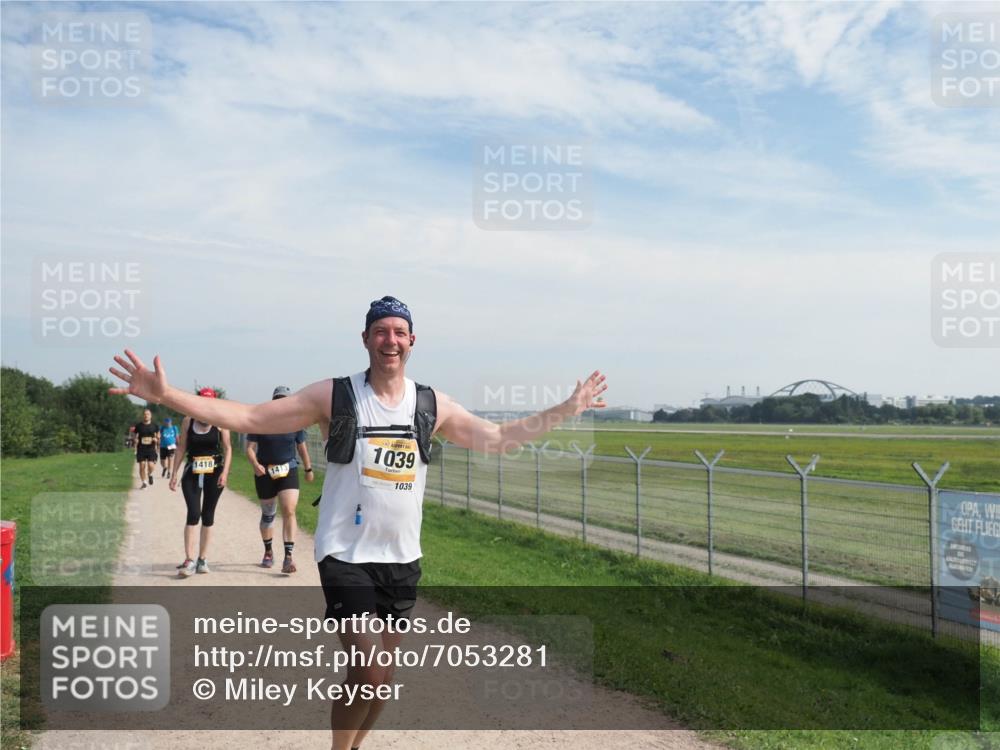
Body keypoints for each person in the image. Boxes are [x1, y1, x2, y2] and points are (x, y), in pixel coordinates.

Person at [108, 295, 606, 750]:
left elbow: (500, 438)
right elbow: (251, 417)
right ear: (366, 339)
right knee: (369, 672)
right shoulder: (335, 395)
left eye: (399, 331)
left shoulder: (432, 405)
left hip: (402, 557)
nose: (390, 340)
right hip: (345, 553)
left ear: (412, 341)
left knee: (380, 679)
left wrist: (569, 407)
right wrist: (168, 396)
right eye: (380, 331)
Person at [246, 386, 315, 574]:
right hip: (264, 472)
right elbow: (250, 448)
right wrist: (255, 464)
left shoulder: (295, 423)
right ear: (273, 401)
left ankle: (288, 557)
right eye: (278, 399)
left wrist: (308, 469)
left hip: (288, 470)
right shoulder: (261, 421)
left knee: (289, 510)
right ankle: (268, 551)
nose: (281, 402)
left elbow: (302, 448)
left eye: (284, 399)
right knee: (268, 515)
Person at [168, 388, 232, 578]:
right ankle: (189, 560)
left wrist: (225, 473)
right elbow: (181, 448)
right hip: (192, 471)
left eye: (209, 401)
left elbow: (228, 449)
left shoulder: (221, 421)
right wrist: (173, 473)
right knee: (193, 513)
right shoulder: (188, 420)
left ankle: (202, 559)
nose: (206, 405)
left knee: (208, 515)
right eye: (203, 401)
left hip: (215, 472)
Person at [133, 409, 159, 489]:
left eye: (148, 414)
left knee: (151, 465)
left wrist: (156, 439)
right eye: (145, 414)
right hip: (141, 448)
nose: (146, 415)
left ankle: (150, 474)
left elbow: (158, 436)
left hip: (151, 448)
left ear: (150, 416)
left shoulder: (155, 426)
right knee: (142, 466)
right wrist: (135, 440)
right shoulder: (138, 426)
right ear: (143, 416)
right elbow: (135, 435)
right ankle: (144, 482)